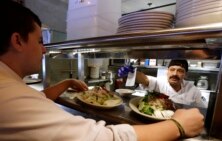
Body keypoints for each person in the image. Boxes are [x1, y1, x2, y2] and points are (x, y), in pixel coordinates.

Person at [0, 1, 204, 141]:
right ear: (17, 41)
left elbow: (35, 100)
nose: (44, 49)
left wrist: (67, 83)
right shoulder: (8, 94)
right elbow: (100, 138)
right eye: (39, 41)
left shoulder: (10, 89)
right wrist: (177, 126)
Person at [118, 59, 207, 108]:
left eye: (180, 71)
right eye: (172, 70)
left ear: (185, 74)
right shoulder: (160, 82)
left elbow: (202, 109)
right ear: (167, 72)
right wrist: (131, 73)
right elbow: (145, 79)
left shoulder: (193, 90)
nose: (175, 74)